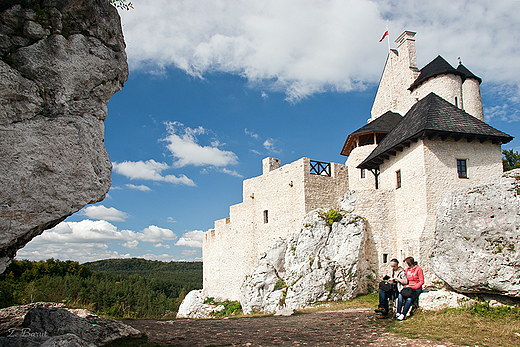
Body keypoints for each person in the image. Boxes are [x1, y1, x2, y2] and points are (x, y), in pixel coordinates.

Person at [395, 256, 424, 321]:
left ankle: (403, 313)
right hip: (408, 287)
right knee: (400, 295)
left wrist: (414, 287)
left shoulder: (418, 269)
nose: (405, 265)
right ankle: (398, 312)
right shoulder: (406, 270)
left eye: (406, 263)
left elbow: (421, 281)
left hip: (416, 288)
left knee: (410, 298)